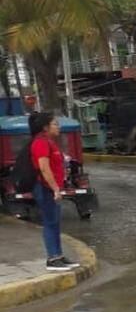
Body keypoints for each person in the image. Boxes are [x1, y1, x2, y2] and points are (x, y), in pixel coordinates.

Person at [28, 112, 80, 272]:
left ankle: (59, 255)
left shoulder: (49, 142)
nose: (58, 127)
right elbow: (44, 168)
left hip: (51, 187)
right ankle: (53, 258)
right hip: (45, 188)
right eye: (55, 124)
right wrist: (55, 188)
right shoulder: (40, 143)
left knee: (55, 222)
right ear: (45, 127)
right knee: (50, 223)